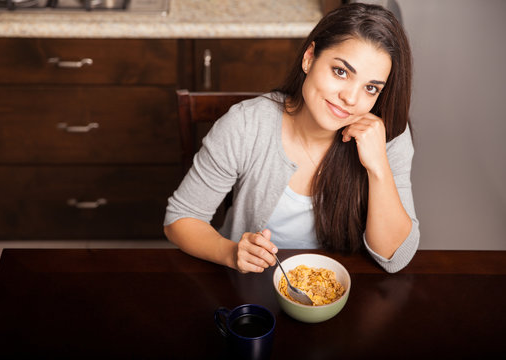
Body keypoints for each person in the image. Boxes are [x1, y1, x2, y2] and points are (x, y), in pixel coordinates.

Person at [164, 3, 419, 274]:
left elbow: (394, 258)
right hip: (247, 288)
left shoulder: (386, 136)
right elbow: (180, 219)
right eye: (341, 72)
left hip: (340, 293)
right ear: (309, 58)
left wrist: (378, 167)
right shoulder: (247, 124)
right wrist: (230, 252)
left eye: (370, 88)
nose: (351, 99)